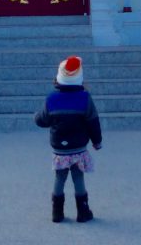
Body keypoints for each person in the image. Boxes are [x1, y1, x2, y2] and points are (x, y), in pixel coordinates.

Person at [34, 55, 102, 223]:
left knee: (60, 178)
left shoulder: (51, 99)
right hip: (78, 148)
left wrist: (37, 116)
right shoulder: (85, 98)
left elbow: (42, 120)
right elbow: (93, 121)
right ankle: (83, 211)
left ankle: (57, 213)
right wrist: (97, 141)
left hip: (60, 149)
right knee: (78, 178)